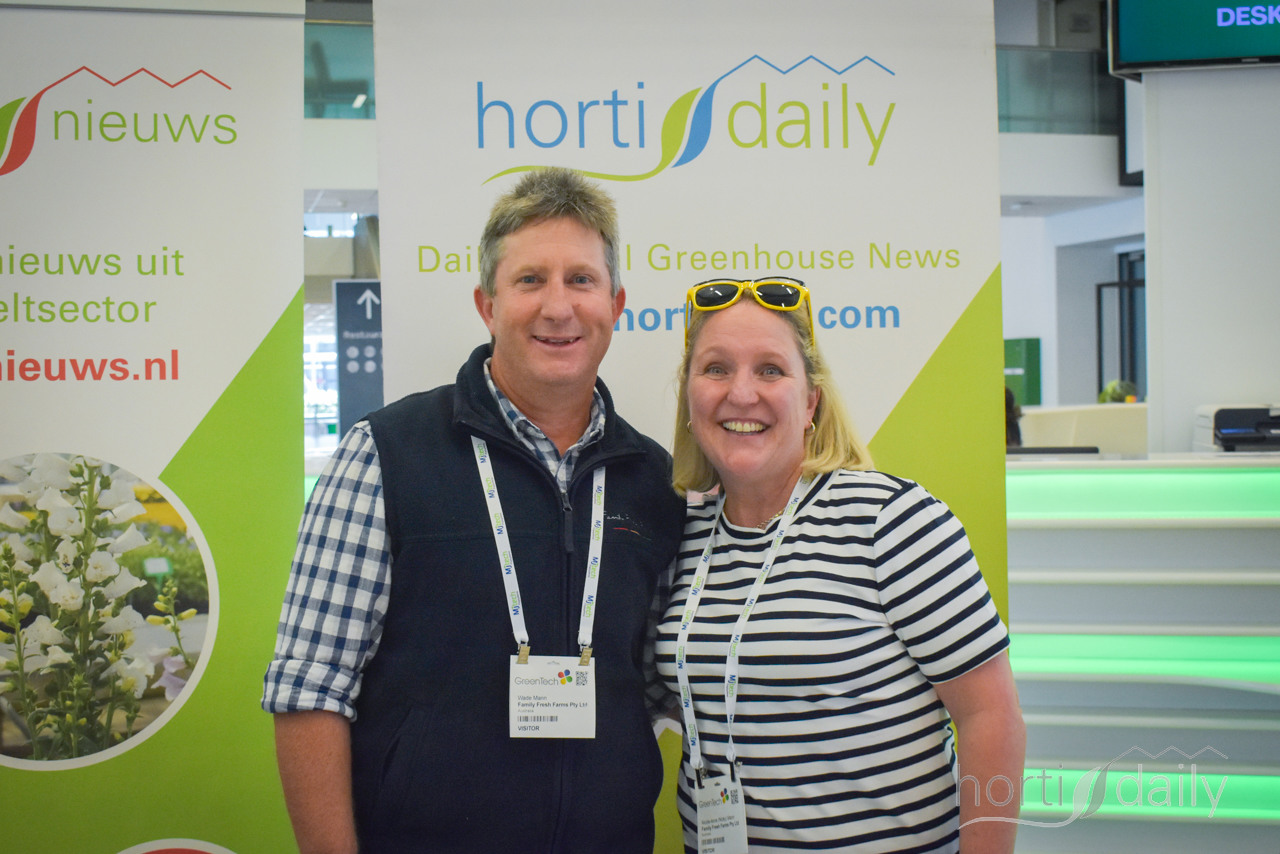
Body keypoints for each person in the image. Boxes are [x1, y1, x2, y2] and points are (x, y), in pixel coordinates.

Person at [263, 168, 685, 853]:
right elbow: (309, 688)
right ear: (487, 305)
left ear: (616, 304)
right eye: (530, 280)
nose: (558, 307)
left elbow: (665, 684)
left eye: (581, 280)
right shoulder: (386, 454)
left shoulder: (655, 483)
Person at [656, 277, 1025, 853]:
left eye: (771, 370)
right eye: (716, 369)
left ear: (810, 402)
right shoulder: (680, 533)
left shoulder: (891, 521)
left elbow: (990, 717)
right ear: (689, 398)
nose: (742, 393)